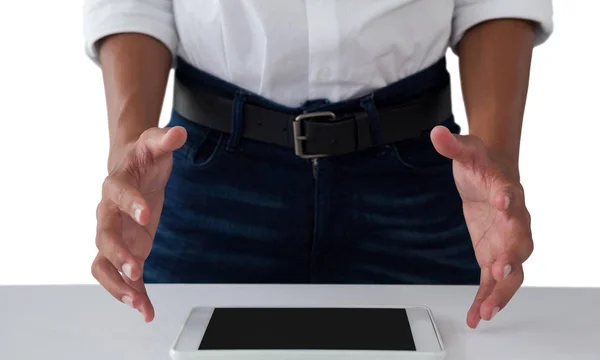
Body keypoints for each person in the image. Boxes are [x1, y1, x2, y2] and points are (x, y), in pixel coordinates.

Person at [83, 1, 552, 328]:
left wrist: (495, 163)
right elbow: (133, 6)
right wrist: (130, 158)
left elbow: (495, 3)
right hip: (211, 177)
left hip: (418, 174)